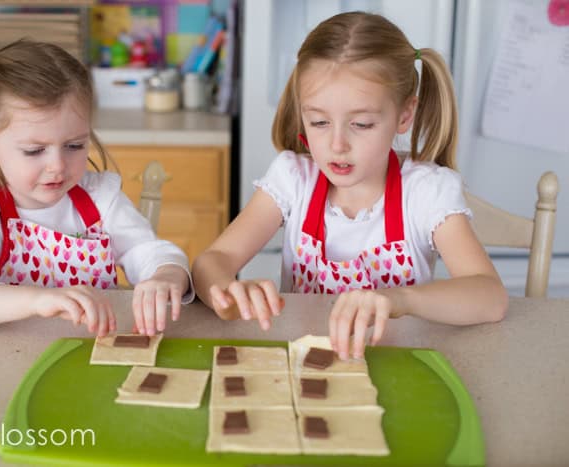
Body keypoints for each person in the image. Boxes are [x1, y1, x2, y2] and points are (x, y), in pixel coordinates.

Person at [192, 12, 508, 359]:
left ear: (404, 115)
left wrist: (400, 299)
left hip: (396, 365)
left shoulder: (424, 192)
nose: (337, 144)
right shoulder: (294, 179)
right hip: (303, 364)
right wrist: (226, 293)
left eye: (361, 124)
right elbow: (213, 260)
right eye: (319, 122)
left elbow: (489, 295)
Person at [0, 40, 193, 336]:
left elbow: (149, 252)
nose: (58, 166)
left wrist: (166, 275)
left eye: (74, 145)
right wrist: (37, 299)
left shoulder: (101, 200)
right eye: (34, 150)